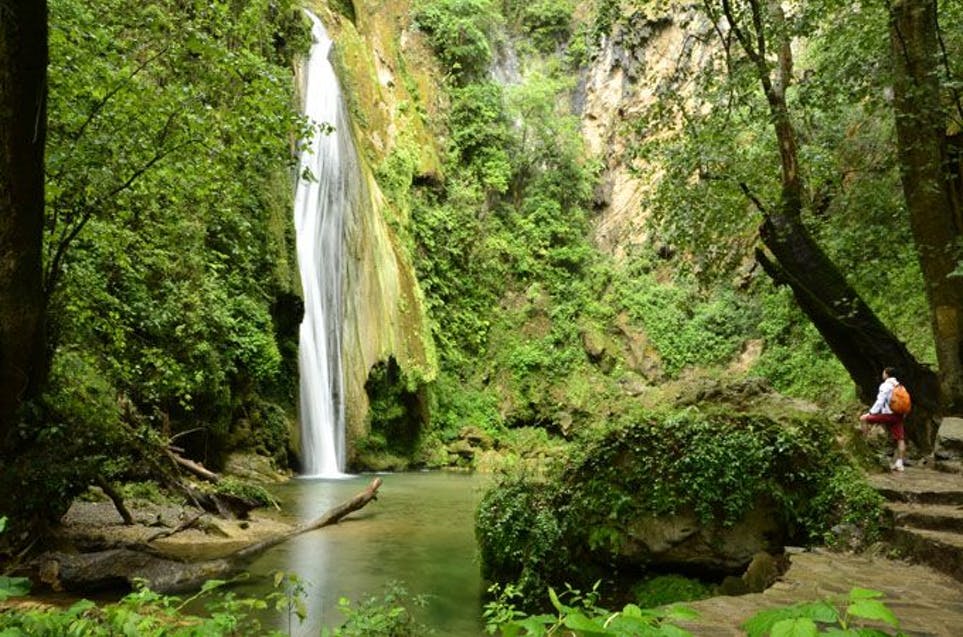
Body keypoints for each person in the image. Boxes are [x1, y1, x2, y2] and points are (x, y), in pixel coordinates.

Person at [859, 367, 906, 472]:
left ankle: (865, 445)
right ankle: (900, 463)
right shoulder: (900, 386)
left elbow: (880, 401)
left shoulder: (885, 386)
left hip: (887, 415)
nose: (882, 375)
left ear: (887, 374)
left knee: (863, 419)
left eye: (883, 373)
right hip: (898, 416)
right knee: (900, 439)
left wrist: (871, 413)